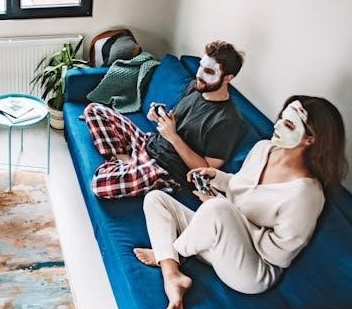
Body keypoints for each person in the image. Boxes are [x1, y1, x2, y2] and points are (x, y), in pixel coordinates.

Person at [133, 95, 348, 309]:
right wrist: (217, 177)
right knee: (156, 198)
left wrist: (226, 212)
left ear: (310, 140)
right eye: (280, 118)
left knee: (216, 209)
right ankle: (172, 274)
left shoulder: (306, 194)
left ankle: (169, 253)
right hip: (219, 238)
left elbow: (280, 255)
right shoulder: (264, 148)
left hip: (251, 270)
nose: (277, 126)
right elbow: (239, 186)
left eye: (289, 124)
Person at [84, 40, 246, 199]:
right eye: (201, 66)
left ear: (227, 78)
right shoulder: (195, 87)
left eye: (209, 72)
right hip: (149, 142)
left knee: (100, 184)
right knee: (94, 110)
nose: (199, 74)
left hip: (166, 168)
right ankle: (126, 160)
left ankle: (130, 164)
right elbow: (178, 120)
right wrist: (160, 115)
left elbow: (206, 169)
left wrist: (173, 137)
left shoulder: (229, 121)